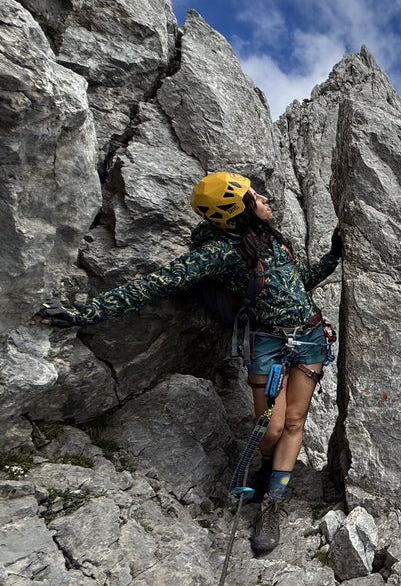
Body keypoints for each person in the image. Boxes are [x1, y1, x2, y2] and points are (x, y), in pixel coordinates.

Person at [33, 172, 342, 555]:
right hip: (267, 341)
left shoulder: (272, 240)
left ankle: (271, 503)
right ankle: (265, 466)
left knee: (294, 422)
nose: (264, 199)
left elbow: (297, 285)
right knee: (271, 426)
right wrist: (84, 313)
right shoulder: (218, 253)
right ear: (237, 211)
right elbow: (155, 283)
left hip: (309, 337)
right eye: (254, 196)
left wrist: (332, 257)